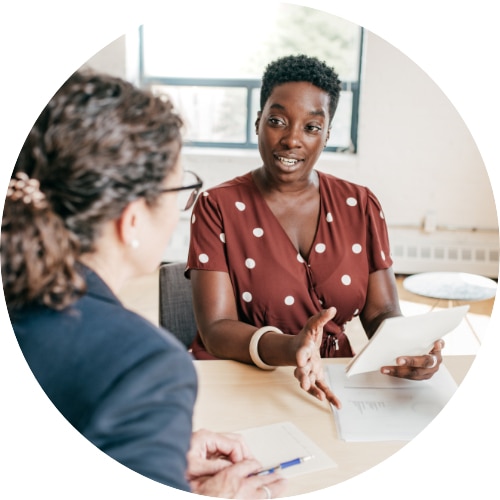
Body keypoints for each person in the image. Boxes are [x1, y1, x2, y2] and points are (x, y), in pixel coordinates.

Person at [1, 70, 286, 499]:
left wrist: (141, 455)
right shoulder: (144, 367)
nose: (179, 212)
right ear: (131, 220)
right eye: (176, 192)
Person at [186, 54, 444, 404]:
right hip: (237, 378)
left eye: (311, 127)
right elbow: (215, 330)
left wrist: (411, 349)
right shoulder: (217, 206)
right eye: (277, 120)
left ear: (326, 135)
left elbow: (381, 311)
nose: (293, 139)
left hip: (331, 380)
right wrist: (292, 346)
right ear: (258, 121)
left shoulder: (361, 204)